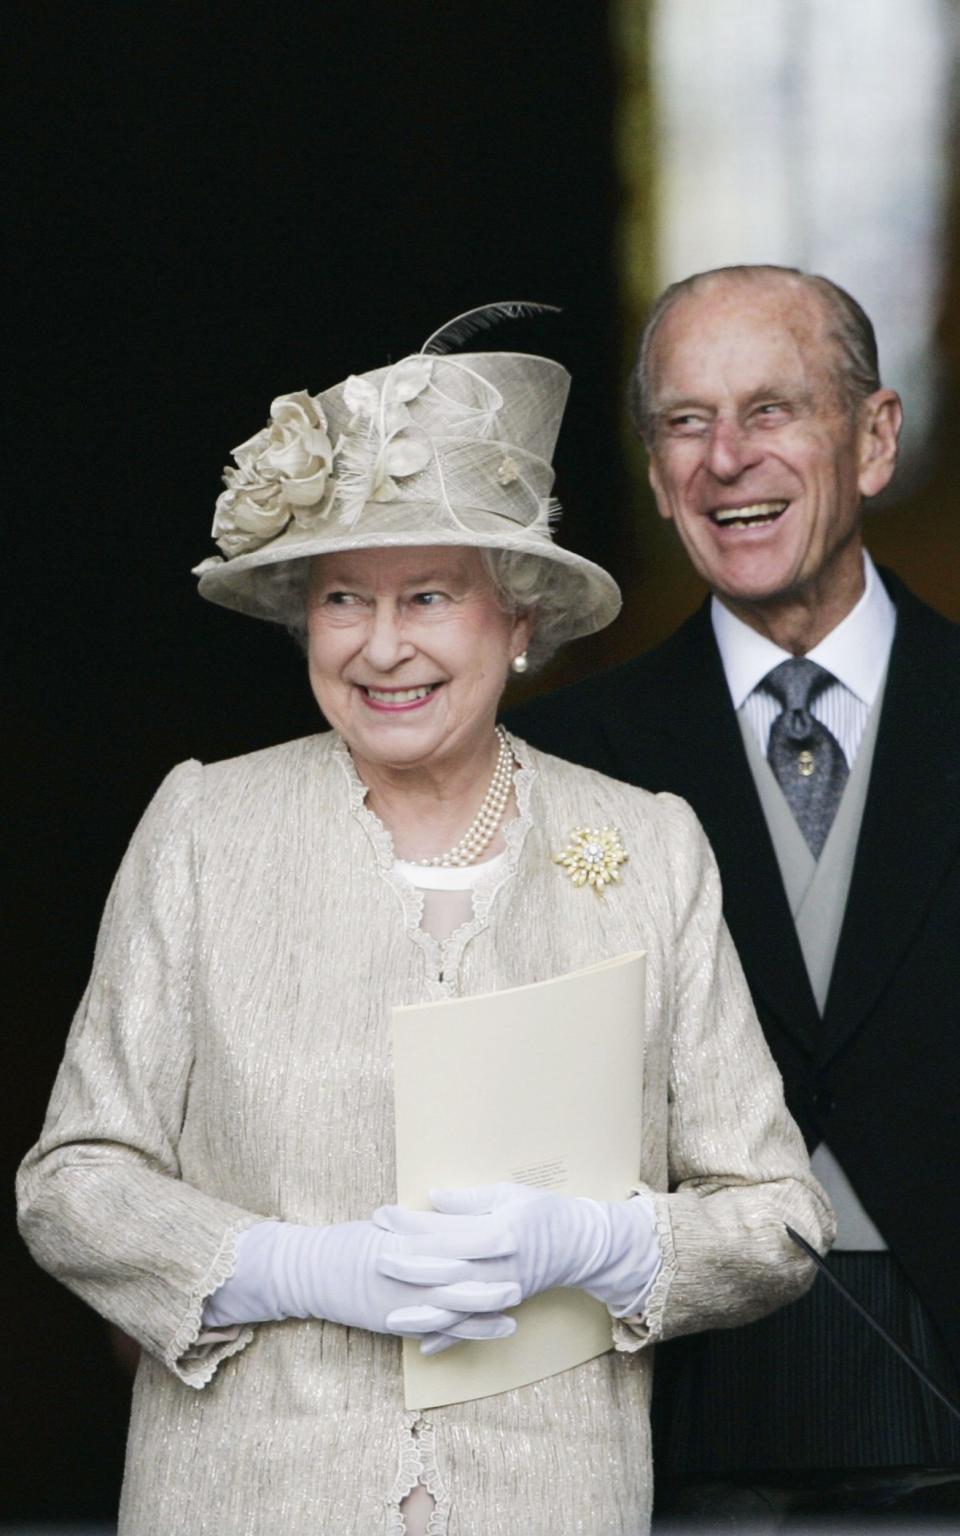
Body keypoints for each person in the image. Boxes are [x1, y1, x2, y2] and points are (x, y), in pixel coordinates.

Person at [17, 308, 832, 1536]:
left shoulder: (650, 846)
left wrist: (599, 1247)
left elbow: (777, 1217)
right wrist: (291, 1269)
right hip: (244, 1497)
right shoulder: (203, 828)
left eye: (433, 596)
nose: (382, 646)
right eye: (345, 598)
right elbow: (72, 1183)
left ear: (519, 626)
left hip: (546, 1499)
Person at [508, 266, 960, 1524]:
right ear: (654, 472)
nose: (724, 459)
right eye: (685, 423)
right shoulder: (558, 762)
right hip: (661, 1392)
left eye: (771, 410)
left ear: (873, 440)